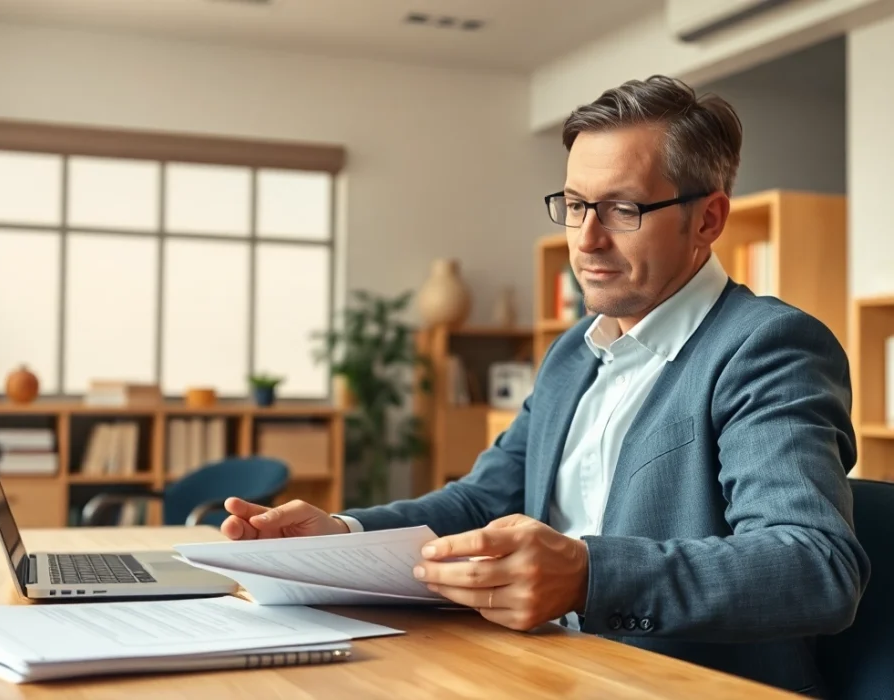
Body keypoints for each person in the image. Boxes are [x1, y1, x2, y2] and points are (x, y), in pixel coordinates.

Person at [221, 75, 870, 697]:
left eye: (622, 208)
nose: (585, 240)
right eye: (577, 205)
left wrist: (587, 576)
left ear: (707, 220)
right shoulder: (573, 353)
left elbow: (814, 566)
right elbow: (482, 503)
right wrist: (340, 537)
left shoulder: (767, 348)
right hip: (541, 671)